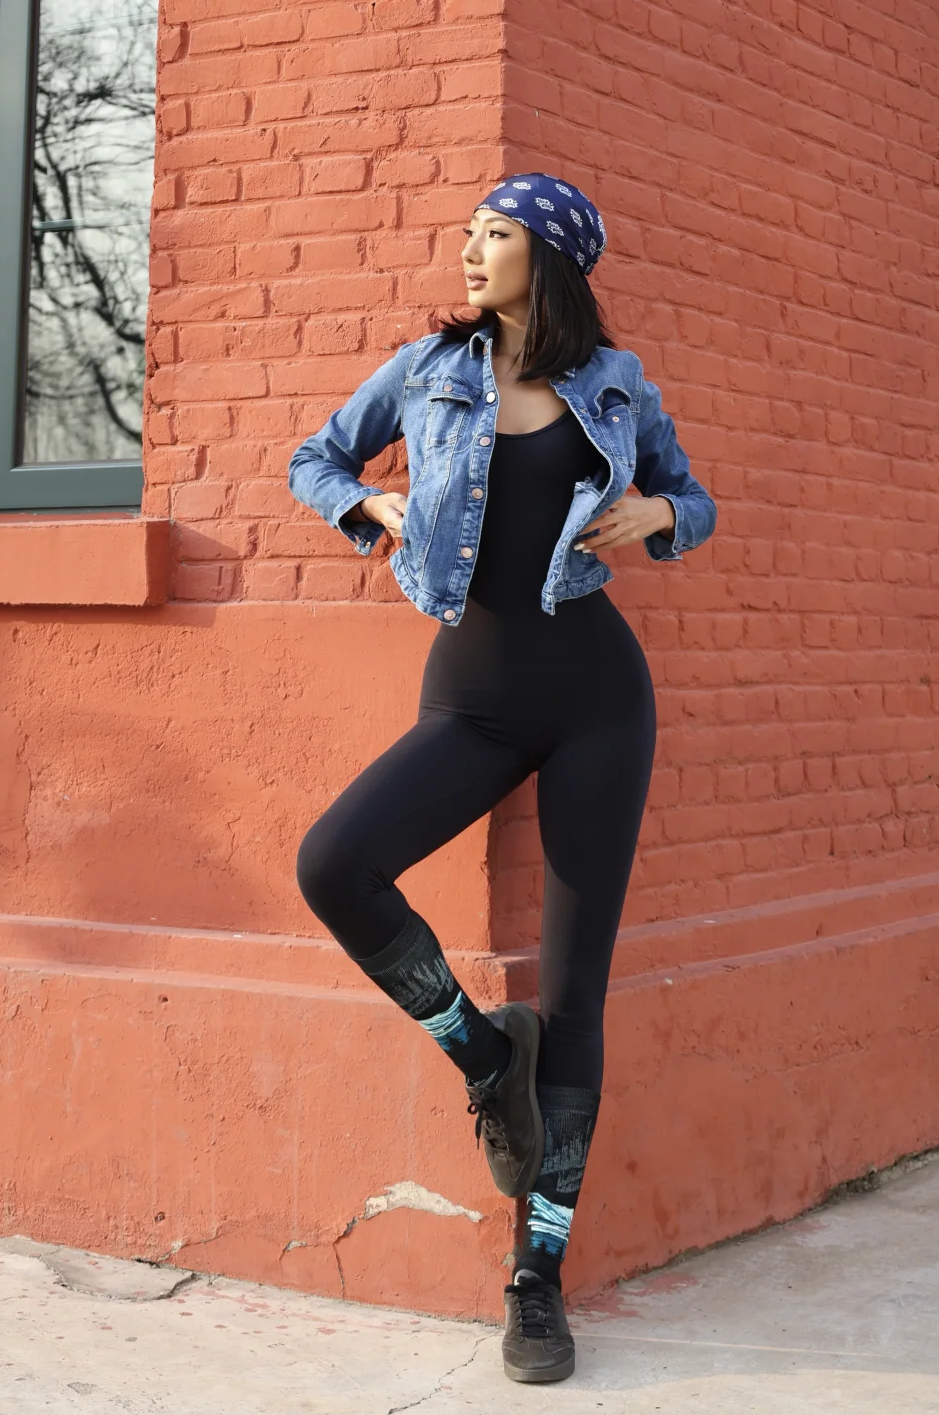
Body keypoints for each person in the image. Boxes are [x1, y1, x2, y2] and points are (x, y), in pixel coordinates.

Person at [288, 172, 716, 1383]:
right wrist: (365, 504)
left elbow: (695, 497)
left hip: (599, 702)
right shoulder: (428, 369)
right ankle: (485, 1056)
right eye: (470, 232)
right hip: (471, 699)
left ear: (552, 257)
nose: (471, 251)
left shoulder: (617, 383)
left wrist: (660, 519)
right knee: (335, 863)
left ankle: (538, 1278)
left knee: (577, 994)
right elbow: (313, 458)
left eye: (497, 234)